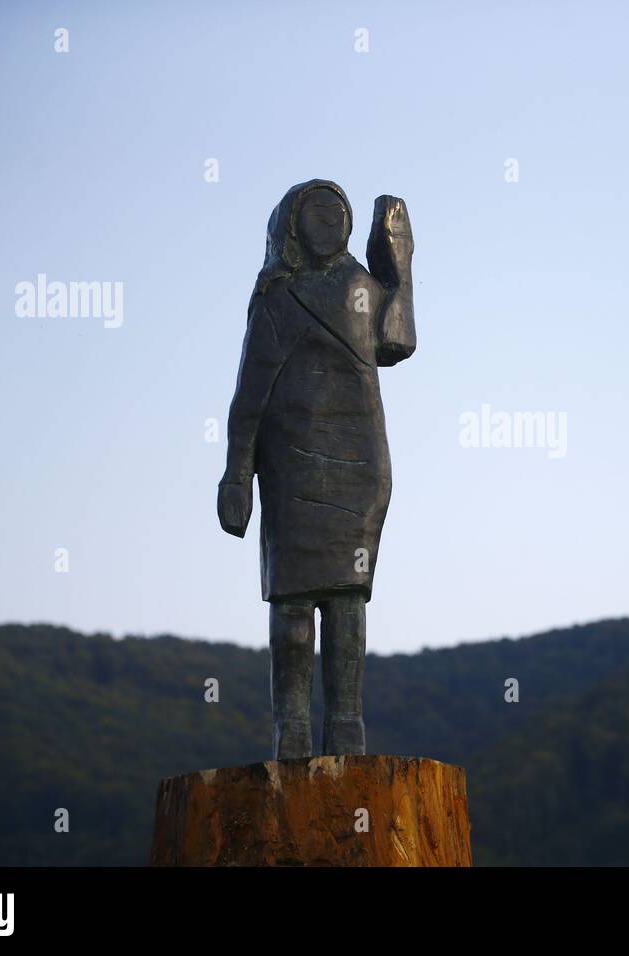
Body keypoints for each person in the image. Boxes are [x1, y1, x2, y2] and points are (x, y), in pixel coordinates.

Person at [217, 179, 416, 758]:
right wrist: (237, 472)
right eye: (319, 214)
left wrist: (397, 264)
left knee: (349, 597)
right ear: (293, 225)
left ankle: (347, 726)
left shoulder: (362, 287)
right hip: (291, 463)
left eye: (340, 215)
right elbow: (249, 394)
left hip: (358, 462)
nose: (332, 225)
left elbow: (397, 341)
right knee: (292, 600)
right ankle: (293, 729)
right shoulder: (279, 298)